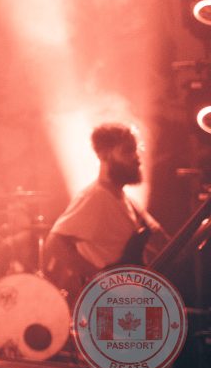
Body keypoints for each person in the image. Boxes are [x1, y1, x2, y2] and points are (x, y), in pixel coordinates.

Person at [44, 123, 168, 297]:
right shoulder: (94, 198)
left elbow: (160, 240)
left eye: (136, 150)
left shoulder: (126, 199)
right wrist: (102, 279)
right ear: (104, 155)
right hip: (110, 301)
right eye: (128, 151)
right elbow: (55, 244)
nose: (137, 158)